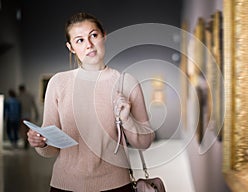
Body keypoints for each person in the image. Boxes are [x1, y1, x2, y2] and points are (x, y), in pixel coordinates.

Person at [27, 12, 155, 192]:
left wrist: (126, 119)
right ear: (71, 47)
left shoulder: (126, 82)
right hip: (65, 185)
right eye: (79, 40)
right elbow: (51, 150)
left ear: (104, 36)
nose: (88, 45)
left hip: (117, 185)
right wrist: (41, 143)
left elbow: (145, 142)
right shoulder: (58, 83)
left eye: (93, 35)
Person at [18, 84, 39, 149]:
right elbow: (34, 105)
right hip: (27, 115)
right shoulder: (29, 96)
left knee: (23, 129)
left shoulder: (19, 96)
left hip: (21, 115)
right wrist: (36, 113)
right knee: (27, 129)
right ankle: (26, 142)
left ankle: (25, 142)